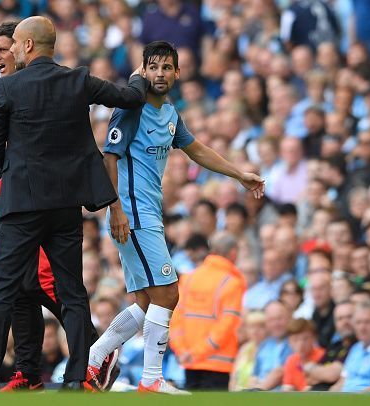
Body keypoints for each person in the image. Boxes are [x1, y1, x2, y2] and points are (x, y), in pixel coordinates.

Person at [0, 21, 113, 392]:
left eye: (5, 47)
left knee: (44, 288)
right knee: (25, 292)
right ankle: (32, 372)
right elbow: (0, 163)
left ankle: (95, 357)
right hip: (34, 203)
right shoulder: (26, 89)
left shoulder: (17, 89)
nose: (0, 55)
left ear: (23, 47)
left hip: (31, 206)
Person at [0, 16, 148, 391]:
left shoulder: (6, 88)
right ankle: (76, 377)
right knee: (72, 291)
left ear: (26, 46)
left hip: (21, 204)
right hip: (66, 206)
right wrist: (138, 76)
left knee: (3, 290)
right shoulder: (78, 80)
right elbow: (130, 98)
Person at [85, 41, 264, 394]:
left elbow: (196, 149)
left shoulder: (169, 113)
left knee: (146, 302)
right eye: (154, 67)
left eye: (167, 68)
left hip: (148, 212)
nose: (161, 74)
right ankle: (151, 380)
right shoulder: (130, 109)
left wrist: (238, 174)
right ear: (143, 71)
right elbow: (109, 158)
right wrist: (115, 209)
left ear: (177, 72)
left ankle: (95, 356)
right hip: (133, 213)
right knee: (168, 294)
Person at [170, 232, 247, 390]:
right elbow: (227, 325)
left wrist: (183, 351)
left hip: (189, 361)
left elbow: (175, 319)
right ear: (233, 252)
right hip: (217, 364)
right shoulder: (231, 283)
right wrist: (199, 352)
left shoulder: (189, 278)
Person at [305, 301, 357, 391]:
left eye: (349, 317)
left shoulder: (359, 346)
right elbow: (309, 378)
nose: (345, 322)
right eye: (340, 319)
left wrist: (312, 369)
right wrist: (319, 372)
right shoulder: (334, 345)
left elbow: (332, 375)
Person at [281, 318, 324, 392]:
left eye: (305, 339)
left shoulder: (323, 356)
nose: (300, 344)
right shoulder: (291, 360)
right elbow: (287, 388)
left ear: (314, 338)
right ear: (289, 341)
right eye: (295, 339)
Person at [229, 311, 267, 391]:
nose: (255, 330)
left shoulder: (270, 349)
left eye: (260, 326)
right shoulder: (244, 348)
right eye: (251, 327)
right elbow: (233, 377)